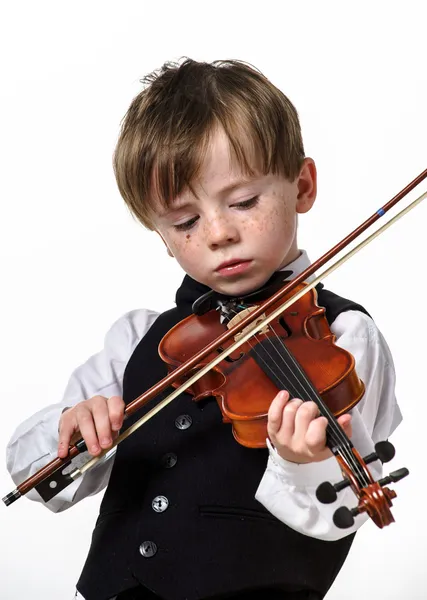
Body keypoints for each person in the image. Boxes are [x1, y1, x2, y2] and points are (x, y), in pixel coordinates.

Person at [6, 58, 402, 600]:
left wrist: (301, 461)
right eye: (184, 221)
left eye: (243, 202)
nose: (219, 233)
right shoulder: (138, 339)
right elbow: (38, 476)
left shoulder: (341, 337)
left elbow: (338, 514)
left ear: (303, 186)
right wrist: (74, 429)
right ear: (161, 236)